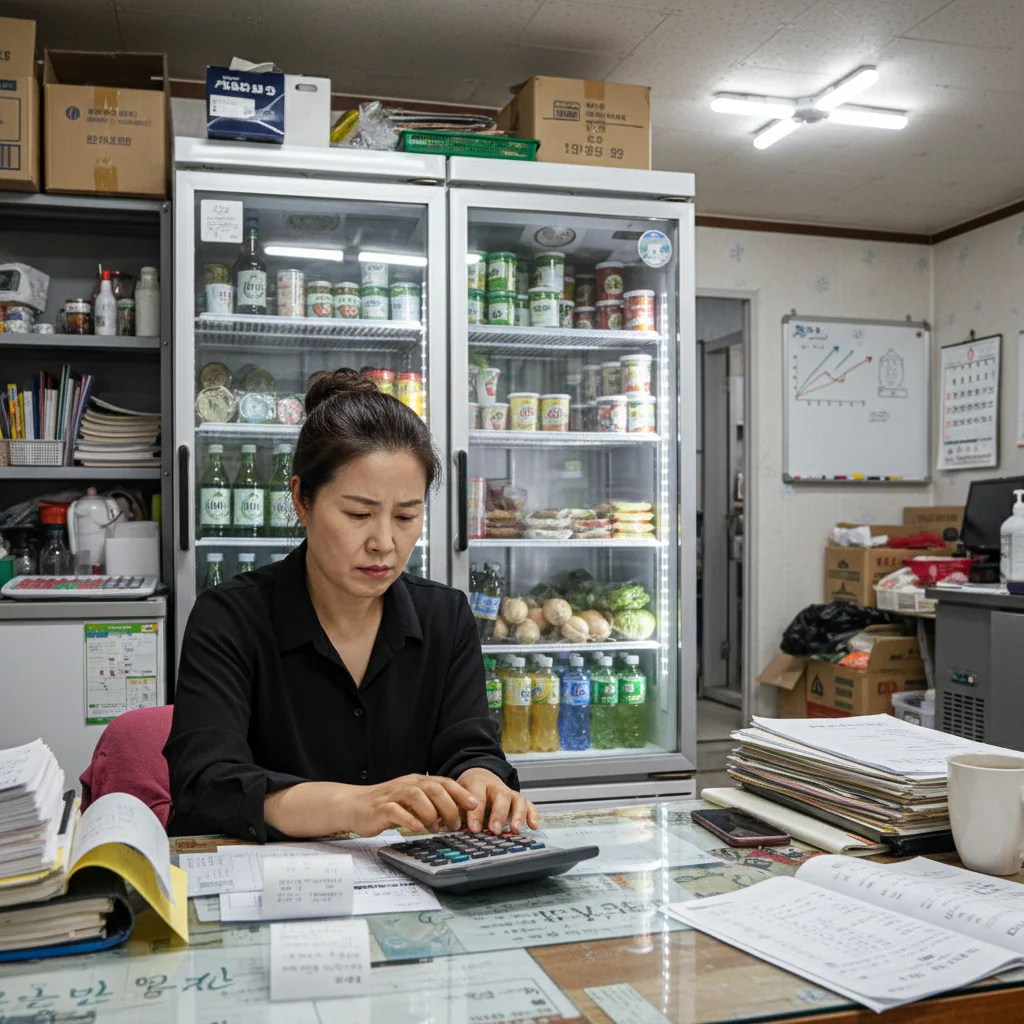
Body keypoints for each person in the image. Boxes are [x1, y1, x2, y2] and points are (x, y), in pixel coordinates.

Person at [166, 368, 538, 842]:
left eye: (406, 515)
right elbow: (206, 784)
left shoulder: (444, 617)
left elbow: (470, 748)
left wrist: (481, 785)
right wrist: (355, 806)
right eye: (358, 514)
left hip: (405, 889)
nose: (384, 542)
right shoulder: (230, 618)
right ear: (302, 499)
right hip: (273, 886)